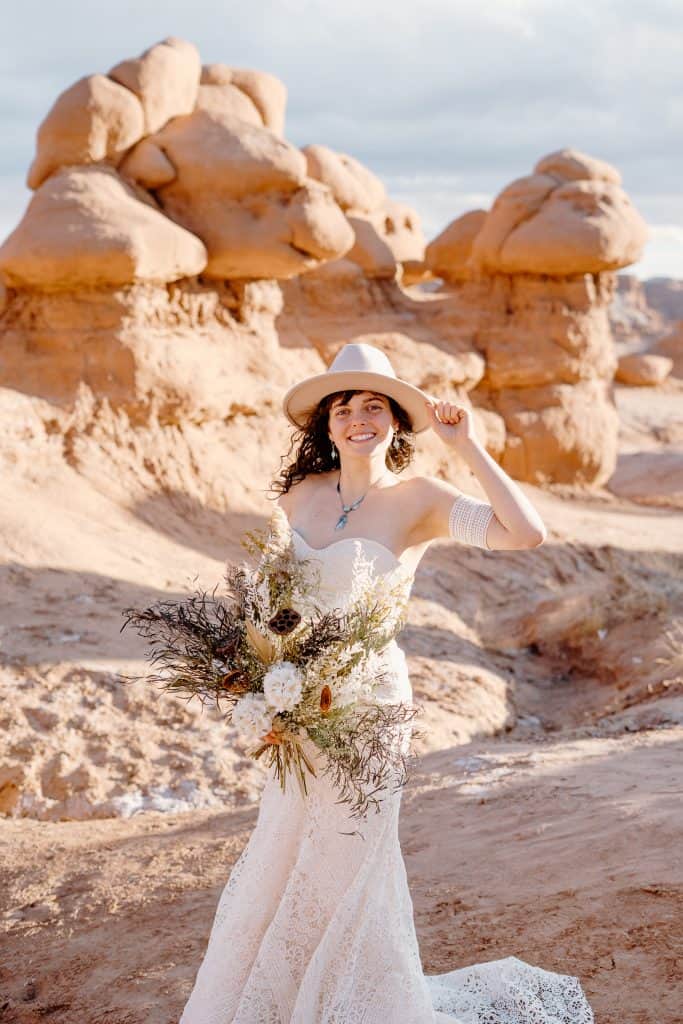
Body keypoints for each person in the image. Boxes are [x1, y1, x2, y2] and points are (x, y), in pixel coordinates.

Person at [179, 343, 594, 1023]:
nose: (357, 418)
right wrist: (258, 670)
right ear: (327, 426)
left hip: (369, 703)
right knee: (287, 849)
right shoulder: (298, 496)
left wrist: (469, 448)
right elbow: (272, 599)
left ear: (398, 421)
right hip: (300, 704)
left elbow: (527, 534)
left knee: (350, 859)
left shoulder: (420, 500)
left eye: (374, 405)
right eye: (343, 408)